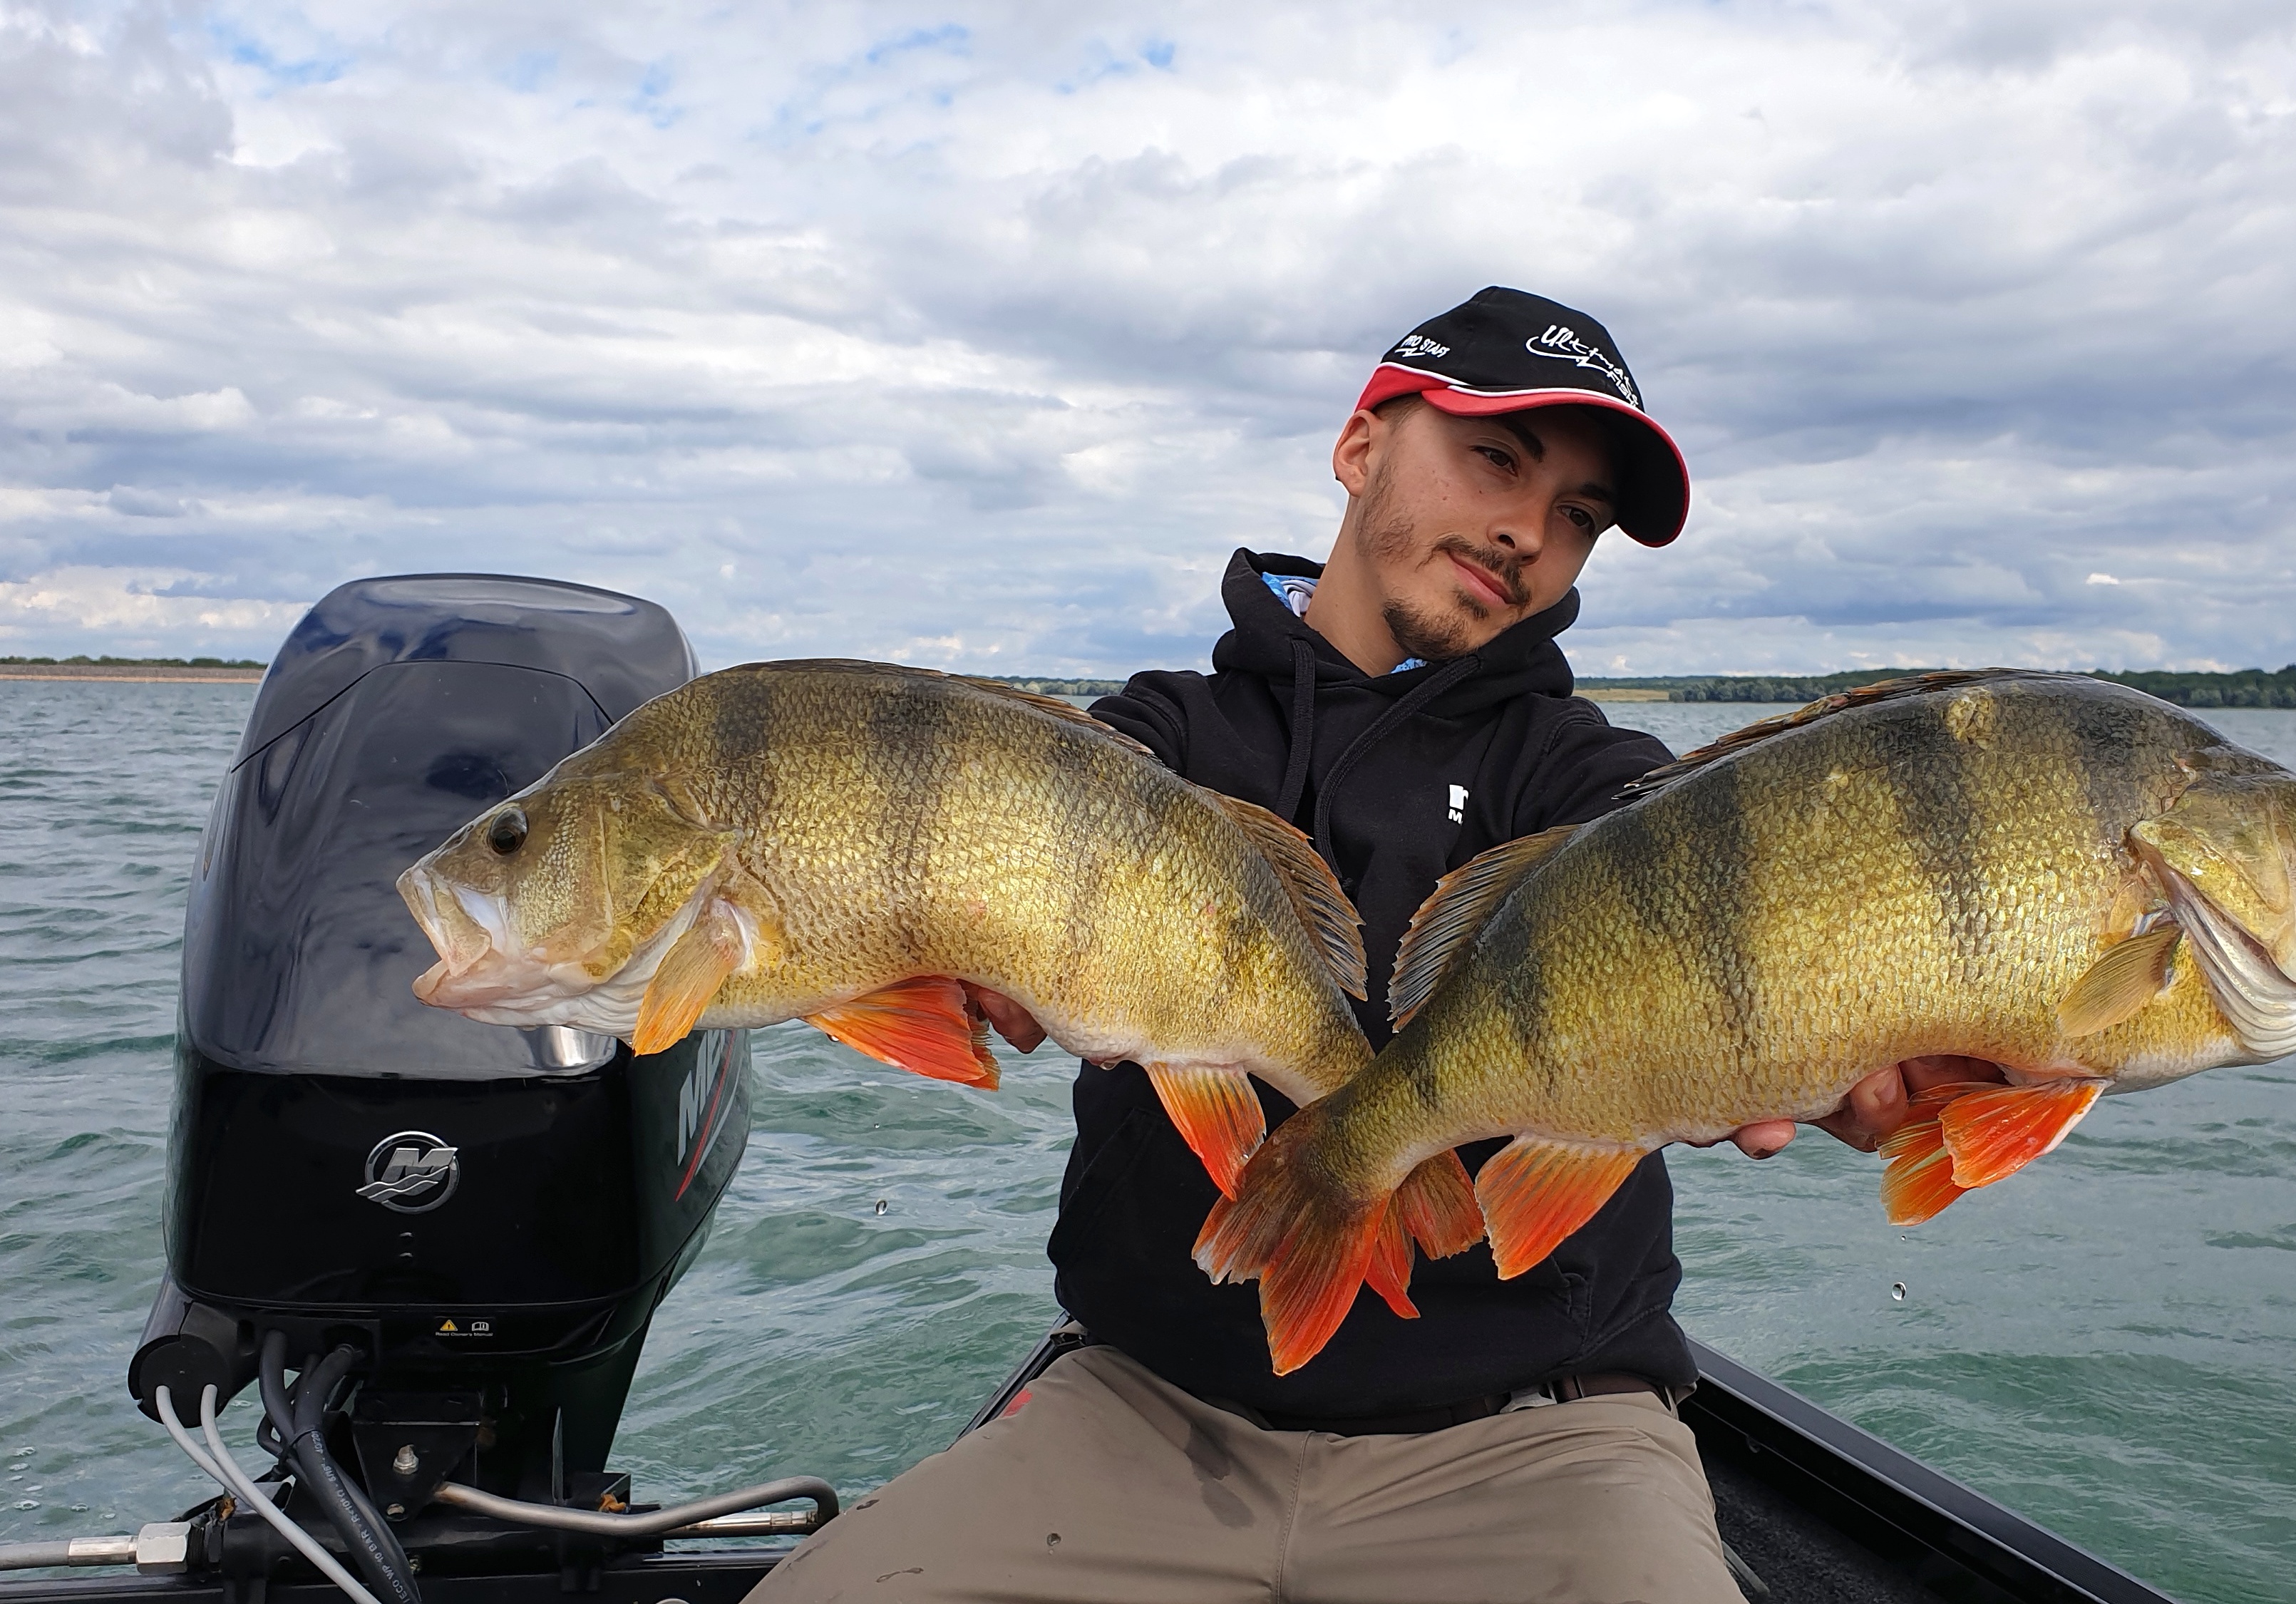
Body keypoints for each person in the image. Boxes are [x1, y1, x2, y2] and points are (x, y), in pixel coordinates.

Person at [748, 287, 1978, 1604]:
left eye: (1578, 516)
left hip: (1542, 1433)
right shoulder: (1155, 741)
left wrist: (1888, 1057)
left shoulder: (1592, 782)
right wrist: (925, 944)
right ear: (1359, 446)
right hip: (1143, 1408)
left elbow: (1736, 915)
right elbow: (974, 844)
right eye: (1496, 458)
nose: (1527, 531)